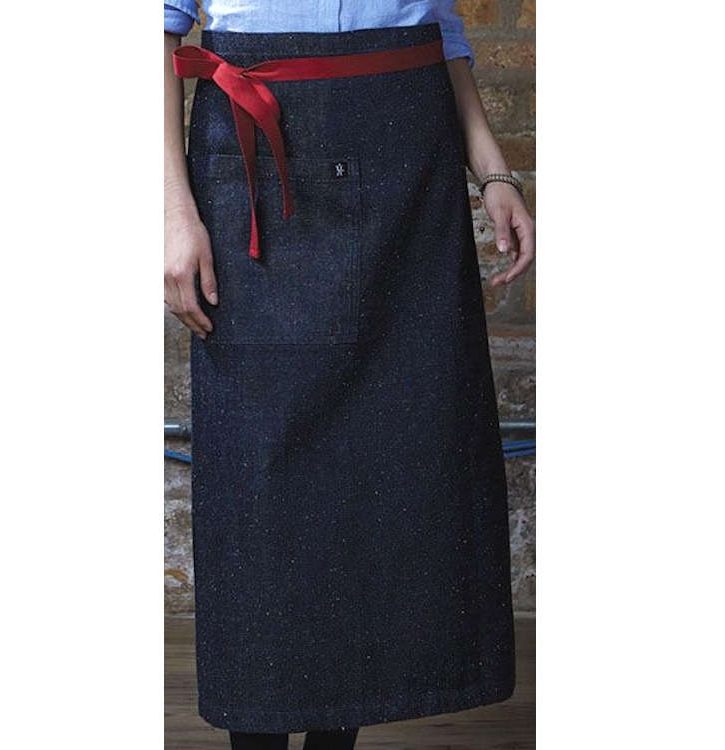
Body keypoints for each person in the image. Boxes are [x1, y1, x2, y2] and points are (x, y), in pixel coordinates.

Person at [164, 3, 535, 749]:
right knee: (260, 483)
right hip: (254, 146)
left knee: (378, 466)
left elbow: (441, 27)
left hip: (408, 153)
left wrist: (493, 170)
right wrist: (172, 211)